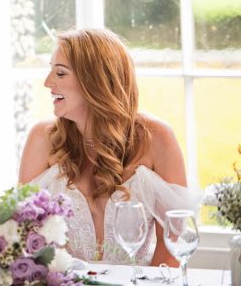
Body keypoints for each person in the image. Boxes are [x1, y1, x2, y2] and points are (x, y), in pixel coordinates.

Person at [18, 28, 202, 266]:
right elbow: (24, 237)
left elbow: (171, 247)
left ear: (95, 81)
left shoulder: (157, 138)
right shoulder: (41, 139)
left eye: (60, 73)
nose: (47, 82)